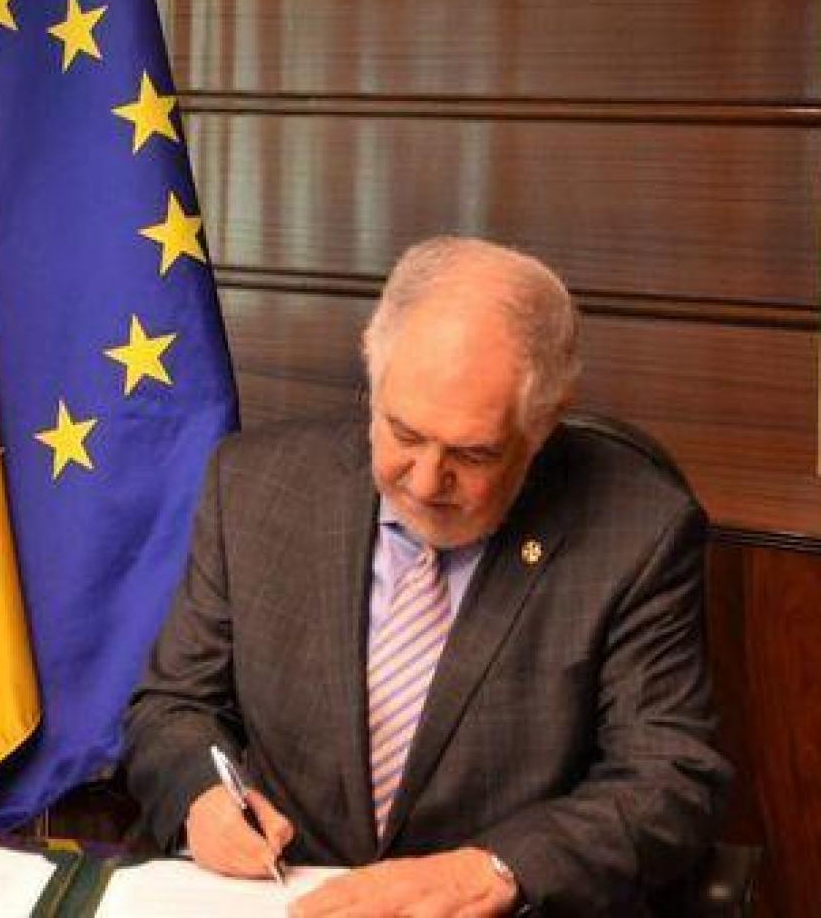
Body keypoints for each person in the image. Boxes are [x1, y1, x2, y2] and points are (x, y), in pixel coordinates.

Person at [123, 236, 729, 916]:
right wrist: (200, 799)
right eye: (403, 434)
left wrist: (495, 872)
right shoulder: (254, 484)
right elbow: (174, 705)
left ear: (544, 423)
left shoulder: (637, 532)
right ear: (371, 372)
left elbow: (668, 780)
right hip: (284, 897)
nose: (424, 481)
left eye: (471, 454)